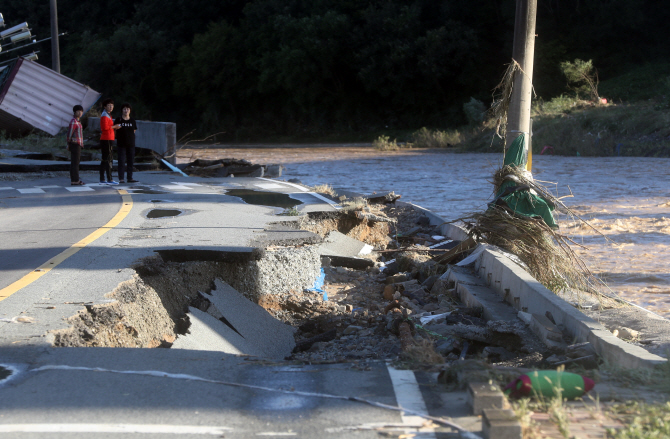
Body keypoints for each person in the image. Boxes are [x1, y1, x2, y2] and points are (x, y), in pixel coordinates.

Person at [114, 103, 138, 183]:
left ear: (130, 111)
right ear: (122, 110)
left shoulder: (132, 120)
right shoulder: (118, 120)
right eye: (124, 109)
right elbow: (115, 130)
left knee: (130, 161)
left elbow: (134, 130)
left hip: (131, 144)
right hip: (121, 144)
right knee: (121, 161)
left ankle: (130, 177)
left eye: (127, 109)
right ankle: (121, 178)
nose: (126, 110)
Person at [99, 99, 121, 185]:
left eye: (112, 105)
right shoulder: (105, 115)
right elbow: (104, 128)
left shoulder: (108, 115)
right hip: (106, 138)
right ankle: (109, 178)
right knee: (108, 159)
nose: (111, 107)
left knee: (105, 158)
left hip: (108, 138)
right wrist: (114, 126)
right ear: (105, 106)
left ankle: (103, 178)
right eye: (109, 105)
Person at [66, 105, 85, 185]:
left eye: (81, 111)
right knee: (75, 163)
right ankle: (75, 180)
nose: (80, 113)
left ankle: (74, 180)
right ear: (75, 112)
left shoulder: (78, 121)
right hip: (75, 143)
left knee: (75, 162)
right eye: (78, 111)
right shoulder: (74, 121)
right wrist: (68, 143)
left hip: (78, 143)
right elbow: (70, 133)